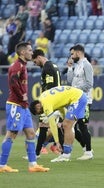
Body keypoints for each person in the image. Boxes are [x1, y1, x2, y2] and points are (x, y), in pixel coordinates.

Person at [0, 42, 49, 173]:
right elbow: (12, 82)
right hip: (16, 105)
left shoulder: (23, 66)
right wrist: (22, 95)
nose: (32, 52)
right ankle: (2, 165)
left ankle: (33, 165)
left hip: (23, 106)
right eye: (29, 50)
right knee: (12, 134)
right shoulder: (17, 66)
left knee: (31, 133)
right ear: (22, 52)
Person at [29, 86, 88, 162]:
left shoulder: (46, 105)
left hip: (77, 98)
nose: (42, 113)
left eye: (40, 112)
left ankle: (66, 154)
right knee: (67, 125)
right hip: (78, 96)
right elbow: (61, 107)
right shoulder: (43, 97)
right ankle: (68, 153)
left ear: (38, 107)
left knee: (67, 125)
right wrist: (64, 118)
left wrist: (57, 142)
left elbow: (52, 124)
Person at [31, 49, 64, 158]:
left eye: (35, 61)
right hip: (56, 100)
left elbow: (50, 87)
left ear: (39, 57)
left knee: (44, 127)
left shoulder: (47, 67)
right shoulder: (53, 65)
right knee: (55, 126)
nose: (35, 64)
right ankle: (61, 153)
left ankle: (37, 154)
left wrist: (44, 101)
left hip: (50, 101)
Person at [66, 44, 94, 160]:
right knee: (71, 125)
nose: (71, 57)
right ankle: (86, 148)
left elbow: (89, 84)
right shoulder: (76, 66)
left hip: (84, 100)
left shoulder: (87, 65)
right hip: (75, 100)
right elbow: (69, 81)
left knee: (82, 126)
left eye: (72, 54)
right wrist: (69, 68)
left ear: (78, 53)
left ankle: (88, 152)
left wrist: (75, 90)